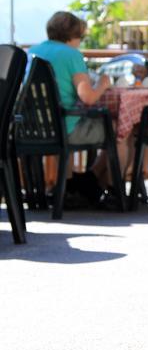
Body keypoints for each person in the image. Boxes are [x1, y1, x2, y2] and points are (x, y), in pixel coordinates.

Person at [29, 10, 112, 205]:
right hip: (64, 129)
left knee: (77, 120)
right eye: (80, 37)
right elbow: (88, 97)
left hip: (32, 128)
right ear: (73, 36)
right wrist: (103, 83)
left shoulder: (31, 52)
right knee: (118, 129)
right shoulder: (72, 55)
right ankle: (109, 189)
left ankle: (67, 188)